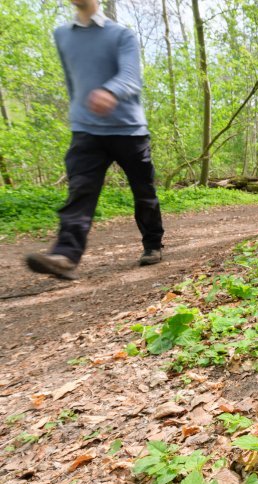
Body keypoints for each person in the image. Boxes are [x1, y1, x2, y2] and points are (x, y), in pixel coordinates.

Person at [26, 0, 164, 280]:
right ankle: (65, 255)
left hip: (130, 130)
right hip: (86, 130)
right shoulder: (62, 35)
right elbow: (72, 82)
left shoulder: (122, 35)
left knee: (144, 192)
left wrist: (110, 92)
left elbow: (131, 77)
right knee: (80, 191)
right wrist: (77, 112)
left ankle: (152, 245)